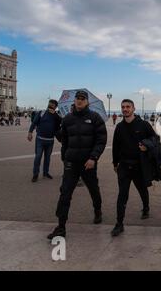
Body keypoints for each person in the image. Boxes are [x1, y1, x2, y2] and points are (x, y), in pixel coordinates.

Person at [47, 90, 107, 240]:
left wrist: (93, 158)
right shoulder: (67, 119)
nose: (79, 101)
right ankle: (61, 227)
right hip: (71, 163)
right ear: (74, 101)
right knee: (65, 193)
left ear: (87, 102)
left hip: (88, 163)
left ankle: (97, 210)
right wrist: (65, 157)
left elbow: (101, 140)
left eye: (82, 99)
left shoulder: (95, 118)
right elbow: (64, 140)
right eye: (77, 98)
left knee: (93, 189)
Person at [111, 99, 158, 237]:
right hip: (124, 166)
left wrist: (147, 146)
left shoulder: (143, 125)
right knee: (122, 194)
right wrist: (115, 163)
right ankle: (119, 224)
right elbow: (115, 146)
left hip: (139, 165)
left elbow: (155, 138)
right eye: (123, 107)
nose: (125, 109)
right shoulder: (119, 127)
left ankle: (146, 208)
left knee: (142, 190)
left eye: (128, 107)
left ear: (133, 108)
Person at [27, 100, 62, 182]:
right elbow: (34, 123)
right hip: (40, 139)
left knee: (47, 158)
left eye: (53, 105)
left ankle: (46, 173)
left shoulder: (56, 116)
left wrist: (55, 114)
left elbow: (61, 122)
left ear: (55, 107)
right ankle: (35, 174)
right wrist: (30, 132)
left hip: (50, 141)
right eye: (50, 104)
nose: (50, 106)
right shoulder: (41, 113)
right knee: (38, 156)